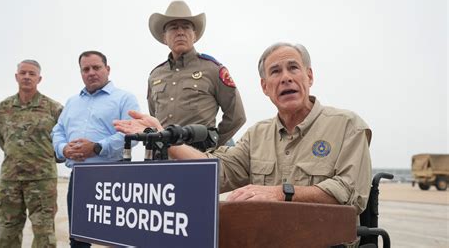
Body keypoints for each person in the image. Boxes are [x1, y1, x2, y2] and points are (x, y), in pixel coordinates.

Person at [114, 42, 372, 215]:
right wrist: (165, 138)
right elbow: (214, 172)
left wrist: (280, 193)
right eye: (275, 71)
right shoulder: (257, 134)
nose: (285, 77)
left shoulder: (347, 125)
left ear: (309, 76)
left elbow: (350, 194)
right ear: (265, 87)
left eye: (293, 68)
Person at [51, 51, 140, 247]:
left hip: (114, 176)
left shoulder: (124, 98)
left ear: (107, 69)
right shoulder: (72, 102)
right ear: (81, 73)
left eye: (96, 67)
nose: (91, 72)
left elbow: (133, 134)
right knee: (79, 237)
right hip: (80, 177)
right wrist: (64, 148)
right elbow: (58, 130)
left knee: (120, 237)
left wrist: (98, 147)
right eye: (86, 69)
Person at [147, 0, 246, 152]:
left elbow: (236, 115)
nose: (180, 32)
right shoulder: (155, 75)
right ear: (164, 38)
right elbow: (153, 116)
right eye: (173, 28)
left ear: (194, 35)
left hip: (200, 156)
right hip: (165, 156)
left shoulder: (212, 69)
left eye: (186, 27)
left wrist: (214, 143)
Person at [0, 60, 63, 248]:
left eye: (31, 74)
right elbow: (1, 138)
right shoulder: (3, 108)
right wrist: (18, 156)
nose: (26, 77)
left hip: (42, 180)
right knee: (7, 230)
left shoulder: (54, 108)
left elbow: (62, 140)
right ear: (16, 76)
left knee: (44, 233)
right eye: (23, 73)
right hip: (10, 179)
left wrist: (44, 157)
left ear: (39, 79)